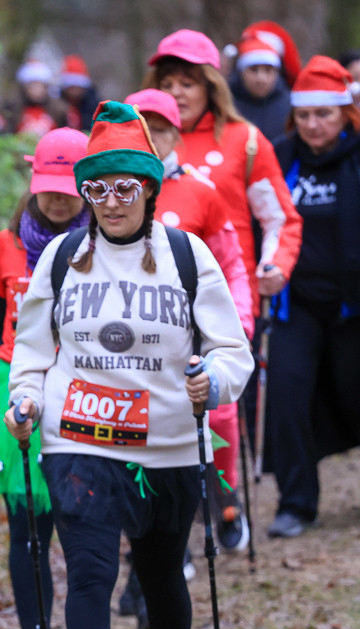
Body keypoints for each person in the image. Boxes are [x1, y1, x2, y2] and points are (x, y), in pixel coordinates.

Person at [4, 100, 254, 629]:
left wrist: (212, 381)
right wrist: (27, 399)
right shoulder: (64, 260)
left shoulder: (187, 257)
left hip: (165, 447)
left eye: (123, 188)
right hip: (79, 440)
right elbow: (34, 350)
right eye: (97, 190)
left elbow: (232, 352)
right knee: (89, 573)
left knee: (160, 573)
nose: (111, 202)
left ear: (149, 189)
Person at [143, 28, 302, 539]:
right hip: (149, 303)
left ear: (211, 84)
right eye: (168, 81)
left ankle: (225, 499)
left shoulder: (244, 140)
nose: (178, 92)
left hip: (226, 297)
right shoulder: (141, 140)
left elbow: (279, 217)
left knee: (221, 405)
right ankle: (168, 515)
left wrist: (275, 267)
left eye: (188, 81)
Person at [0, 127, 90, 629]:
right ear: (32, 182)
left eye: (69, 186)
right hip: (16, 385)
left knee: (82, 520)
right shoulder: (5, 244)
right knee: (28, 528)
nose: (59, 197)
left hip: (86, 387)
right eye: (49, 185)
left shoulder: (105, 244)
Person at [127, 87, 255, 554]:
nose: (151, 139)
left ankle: (224, 499)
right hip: (138, 339)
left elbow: (232, 264)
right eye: (142, 130)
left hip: (197, 334)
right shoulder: (112, 197)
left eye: (159, 130)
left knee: (216, 412)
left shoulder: (202, 189)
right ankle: (166, 532)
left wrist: (239, 320)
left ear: (173, 133)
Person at [267, 56, 360, 538]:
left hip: (354, 306)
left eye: (323, 114)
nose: (312, 124)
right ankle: (296, 502)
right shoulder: (282, 158)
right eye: (303, 115)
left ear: (346, 113)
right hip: (296, 303)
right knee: (287, 394)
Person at [230, 37, 292, 143]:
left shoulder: (291, 106)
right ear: (241, 72)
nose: (261, 79)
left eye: (268, 70)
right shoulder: (226, 103)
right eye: (254, 69)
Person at [10, 60, 64, 137]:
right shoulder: (13, 110)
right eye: (32, 85)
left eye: (40, 85)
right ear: (24, 87)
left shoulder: (58, 110)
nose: (37, 90)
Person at [60, 55, 100, 132]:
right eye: (71, 86)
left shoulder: (94, 104)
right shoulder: (57, 103)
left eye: (78, 86)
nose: (74, 90)